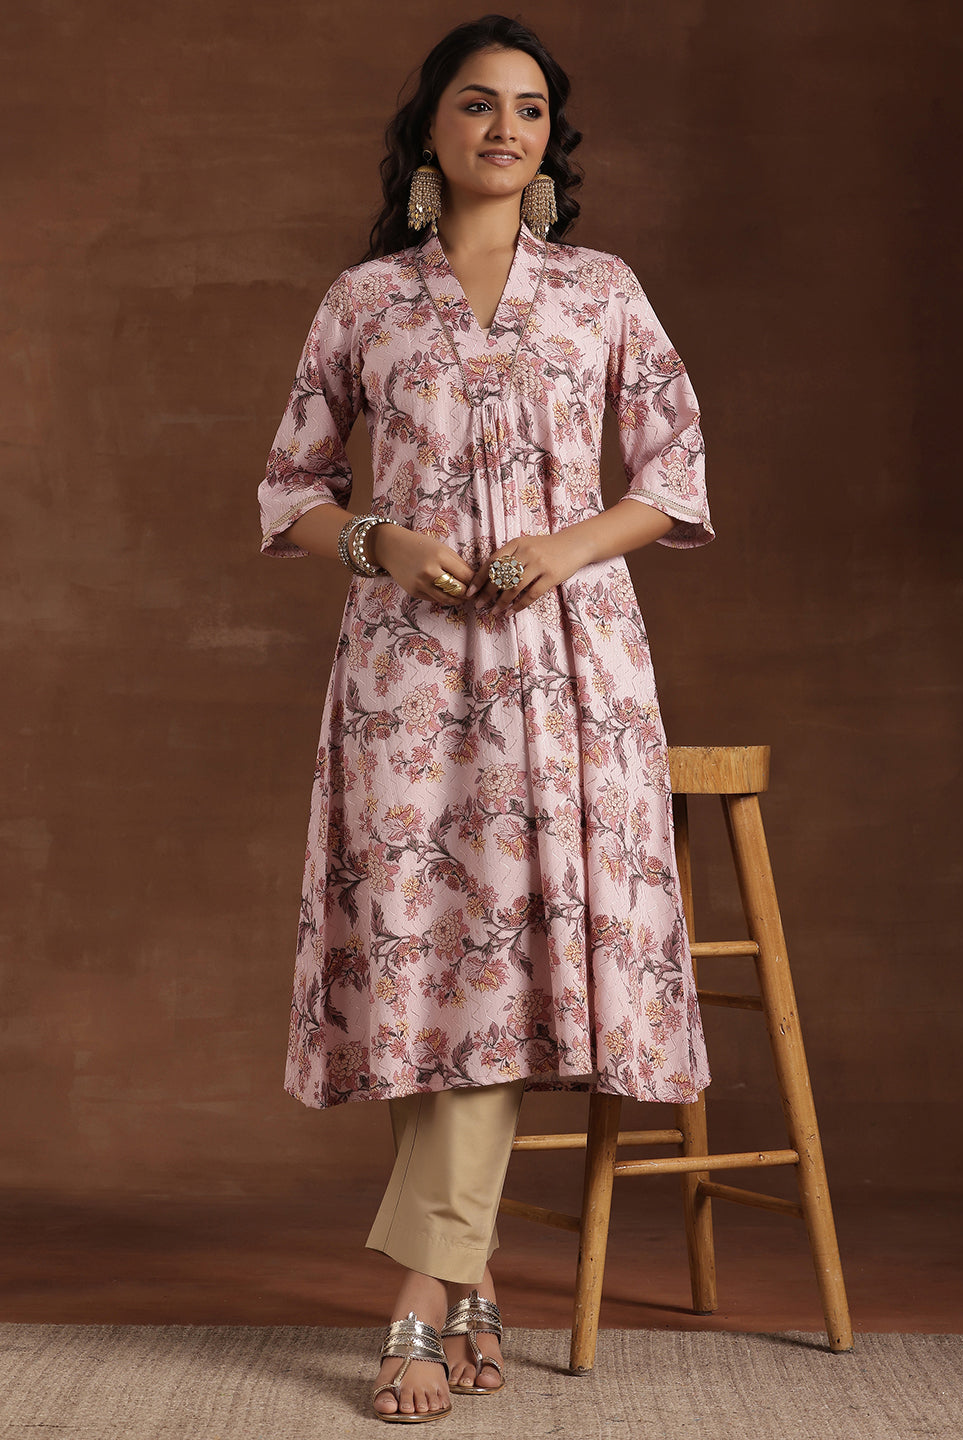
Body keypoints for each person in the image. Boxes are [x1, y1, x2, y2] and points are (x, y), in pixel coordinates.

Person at [258, 13, 714, 1424]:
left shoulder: (600, 291)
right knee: (424, 959)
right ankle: (469, 1284)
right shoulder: (365, 302)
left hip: (570, 670)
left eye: (528, 108)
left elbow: (675, 471)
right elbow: (289, 488)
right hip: (406, 679)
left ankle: (419, 1290)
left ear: (550, 140)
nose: (505, 127)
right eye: (476, 103)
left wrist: (568, 549)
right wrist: (381, 543)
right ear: (432, 130)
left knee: (499, 958)